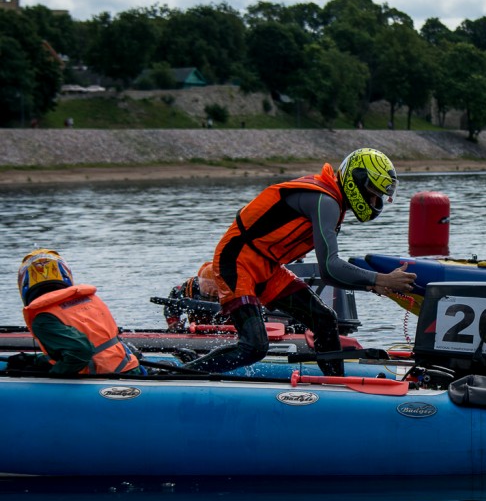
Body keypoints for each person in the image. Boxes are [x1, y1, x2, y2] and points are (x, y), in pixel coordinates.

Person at [183, 148, 416, 375]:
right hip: (236, 261)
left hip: (267, 267)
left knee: (324, 319)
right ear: (357, 181)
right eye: (373, 192)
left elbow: (329, 270)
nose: (376, 200)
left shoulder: (331, 201)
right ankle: (183, 374)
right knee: (254, 347)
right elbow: (330, 269)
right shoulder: (326, 201)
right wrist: (381, 279)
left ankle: (334, 384)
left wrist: (372, 284)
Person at [6, 249, 143, 376]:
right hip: (129, 368)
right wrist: (35, 360)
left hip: (103, 378)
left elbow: (80, 352)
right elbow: (95, 344)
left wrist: (53, 374)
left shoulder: (43, 319)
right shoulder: (89, 299)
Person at [163, 261, 225, 331]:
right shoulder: (190, 288)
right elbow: (171, 305)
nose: (211, 291)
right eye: (208, 286)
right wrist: (173, 321)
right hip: (198, 328)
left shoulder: (237, 292)